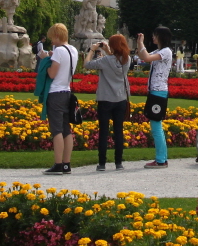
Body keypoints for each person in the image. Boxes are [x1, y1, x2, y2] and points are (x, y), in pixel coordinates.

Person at [84, 33, 131, 171]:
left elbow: (87, 64)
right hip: (121, 98)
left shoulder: (105, 61)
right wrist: (108, 51)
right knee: (118, 131)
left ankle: (102, 163)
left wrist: (92, 50)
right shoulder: (126, 60)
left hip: (105, 98)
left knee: (104, 132)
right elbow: (114, 59)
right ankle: (118, 162)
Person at [42, 23, 79, 176]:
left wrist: (45, 60)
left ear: (57, 36)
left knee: (56, 129)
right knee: (66, 129)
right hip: (67, 91)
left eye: (52, 38)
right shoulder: (73, 50)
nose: (52, 41)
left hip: (55, 91)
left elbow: (52, 73)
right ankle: (66, 164)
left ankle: (57, 163)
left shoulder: (58, 51)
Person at [136, 26, 173, 168]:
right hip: (155, 91)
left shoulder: (166, 52)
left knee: (156, 126)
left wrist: (141, 42)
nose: (153, 37)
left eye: (155, 35)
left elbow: (145, 57)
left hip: (158, 92)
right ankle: (161, 158)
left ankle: (161, 159)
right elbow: (143, 57)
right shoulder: (159, 51)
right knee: (156, 125)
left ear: (161, 37)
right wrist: (140, 43)